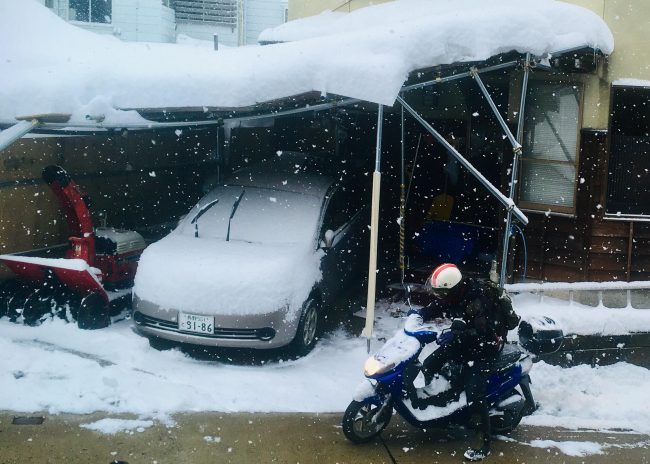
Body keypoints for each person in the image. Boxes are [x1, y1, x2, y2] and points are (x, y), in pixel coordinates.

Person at [413, 263, 503, 462]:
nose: (439, 296)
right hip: (463, 342)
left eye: (441, 292)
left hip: (484, 350)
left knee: (474, 391)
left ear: (452, 288)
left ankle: (483, 442)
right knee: (429, 363)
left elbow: (484, 333)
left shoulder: (477, 300)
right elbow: (441, 304)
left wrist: (457, 334)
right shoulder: (456, 294)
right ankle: (433, 404)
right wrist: (421, 314)